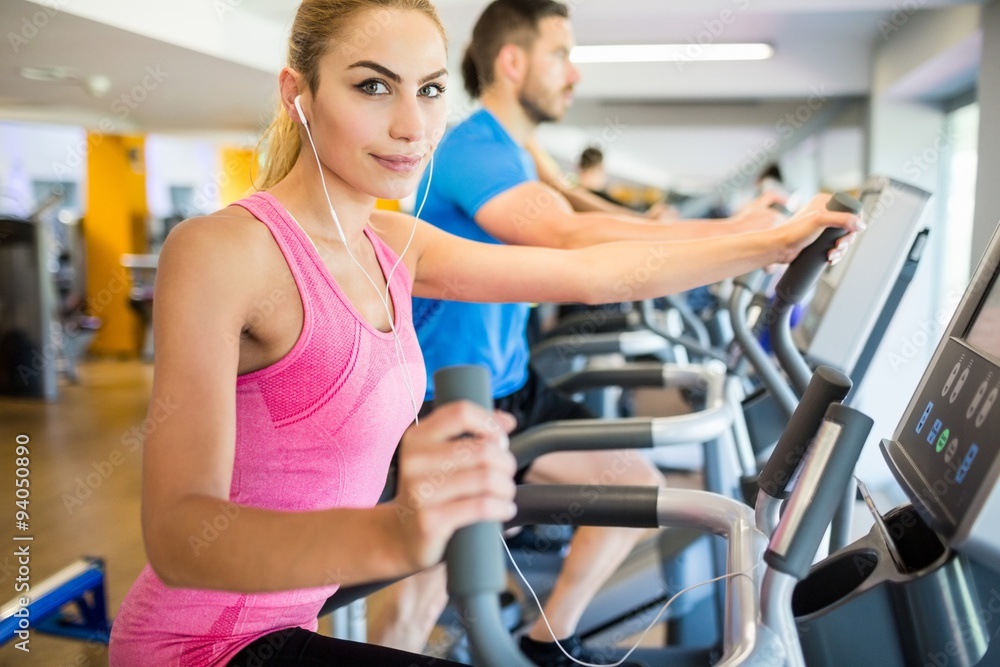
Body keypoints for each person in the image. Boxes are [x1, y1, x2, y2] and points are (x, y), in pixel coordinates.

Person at [107, 0, 858, 665]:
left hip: (292, 618)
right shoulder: (222, 250)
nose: (412, 125)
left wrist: (769, 243)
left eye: (430, 90)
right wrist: (394, 534)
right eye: (373, 86)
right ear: (296, 94)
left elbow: (592, 272)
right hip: (201, 644)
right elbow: (177, 534)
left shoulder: (394, 242)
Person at [404, 0, 859, 664]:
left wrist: (741, 231)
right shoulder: (470, 147)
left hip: (508, 386)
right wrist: (766, 240)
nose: (574, 74)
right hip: (443, 399)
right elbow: (573, 237)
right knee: (421, 588)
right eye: (561, 54)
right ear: (512, 60)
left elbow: (600, 215)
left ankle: (543, 646)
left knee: (630, 485)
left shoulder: (516, 152)